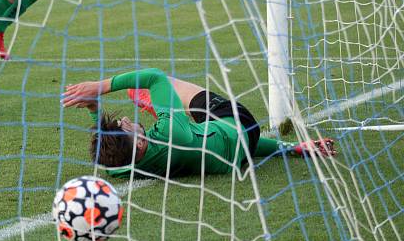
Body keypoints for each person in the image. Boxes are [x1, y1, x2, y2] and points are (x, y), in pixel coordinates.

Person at [61, 68, 335, 179]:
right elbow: (154, 76)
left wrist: (293, 148)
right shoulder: (170, 132)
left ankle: (161, 106)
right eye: (125, 125)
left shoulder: (122, 167)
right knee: (164, 84)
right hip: (237, 120)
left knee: (202, 134)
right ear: (141, 141)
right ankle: (157, 103)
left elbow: (104, 156)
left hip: (234, 151)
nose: (123, 120)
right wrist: (100, 88)